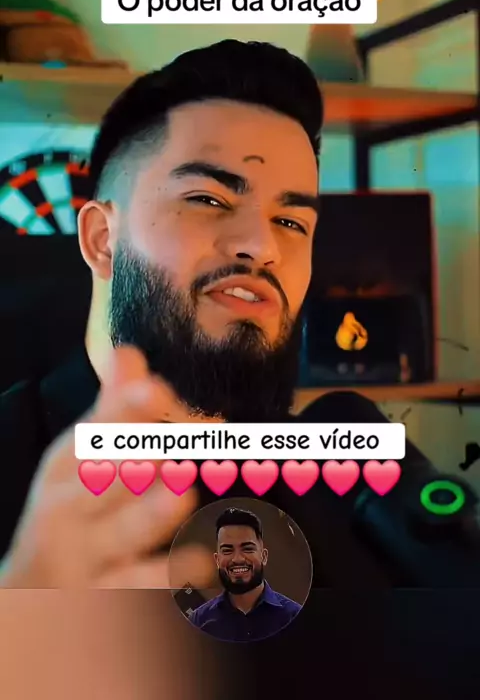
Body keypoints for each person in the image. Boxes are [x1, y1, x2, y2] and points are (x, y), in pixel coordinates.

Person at [0, 39, 322, 587]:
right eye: (209, 200)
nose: (262, 246)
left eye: (292, 223)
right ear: (102, 239)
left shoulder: (338, 489)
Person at [189, 507, 301, 642]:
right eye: (227, 550)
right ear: (217, 560)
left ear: (264, 556)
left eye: (247, 549)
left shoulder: (293, 615)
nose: (238, 559)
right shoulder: (199, 620)